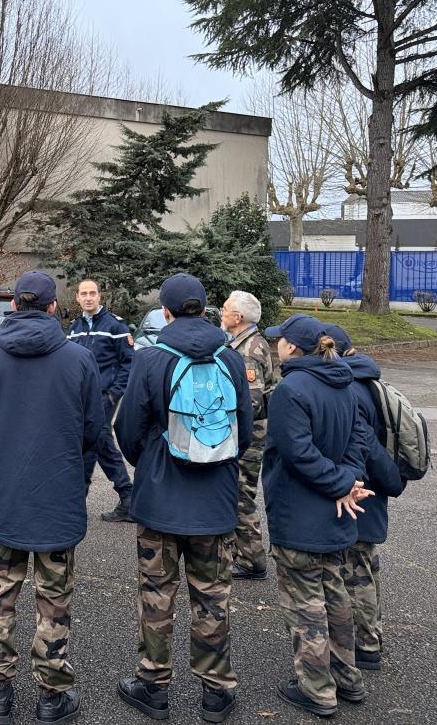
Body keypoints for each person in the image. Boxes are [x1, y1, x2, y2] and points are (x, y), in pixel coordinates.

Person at [113, 274, 253, 724]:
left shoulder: (151, 359)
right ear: (205, 309)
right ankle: (216, 692)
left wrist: (151, 460)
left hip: (160, 499)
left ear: (166, 312)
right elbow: (244, 432)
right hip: (215, 501)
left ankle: (153, 685)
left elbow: (127, 431)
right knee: (212, 596)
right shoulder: (231, 359)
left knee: (157, 594)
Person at [0, 270, 105, 725]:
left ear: (13, 306)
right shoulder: (78, 359)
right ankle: (50, 694)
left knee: (1, 594)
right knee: (54, 599)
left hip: (6, 495)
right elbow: (93, 430)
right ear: (52, 307)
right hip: (56, 496)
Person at [262, 314, 373, 717]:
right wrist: (348, 479)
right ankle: (348, 677)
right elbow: (360, 438)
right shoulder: (343, 382)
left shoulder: (291, 389)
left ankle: (317, 689)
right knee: (336, 595)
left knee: (305, 605)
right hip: (337, 511)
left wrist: (340, 484)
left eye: (280, 340)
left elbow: (298, 453)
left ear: (292, 347)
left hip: (300, 514)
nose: (277, 345)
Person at [323, 323, 406, 673]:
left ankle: (366, 644)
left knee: (356, 570)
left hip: (361, 490)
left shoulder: (351, 389)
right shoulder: (366, 379)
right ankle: (370, 635)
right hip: (371, 489)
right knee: (366, 567)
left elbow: (363, 447)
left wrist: (349, 481)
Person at [220, 290, 278, 580]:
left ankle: (253, 559)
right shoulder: (242, 343)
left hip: (248, 436)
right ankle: (237, 551)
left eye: (226, 309)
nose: (221, 312)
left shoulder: (249, 350)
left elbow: (251, 403)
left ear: (238, 317)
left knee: (240, 495)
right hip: (246, 433)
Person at [67, 279, 135, 522]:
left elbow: (129, 362)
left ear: (99, 297)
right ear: (77, 298)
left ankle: (78, 499)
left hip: (105, 397)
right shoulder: (74, 328)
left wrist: (114, 393)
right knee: (99, 441)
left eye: (92, 293)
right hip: (81, 399)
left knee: (94, 439)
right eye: (84, 294)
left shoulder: (115, 326)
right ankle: (128, 497)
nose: (88, 298)